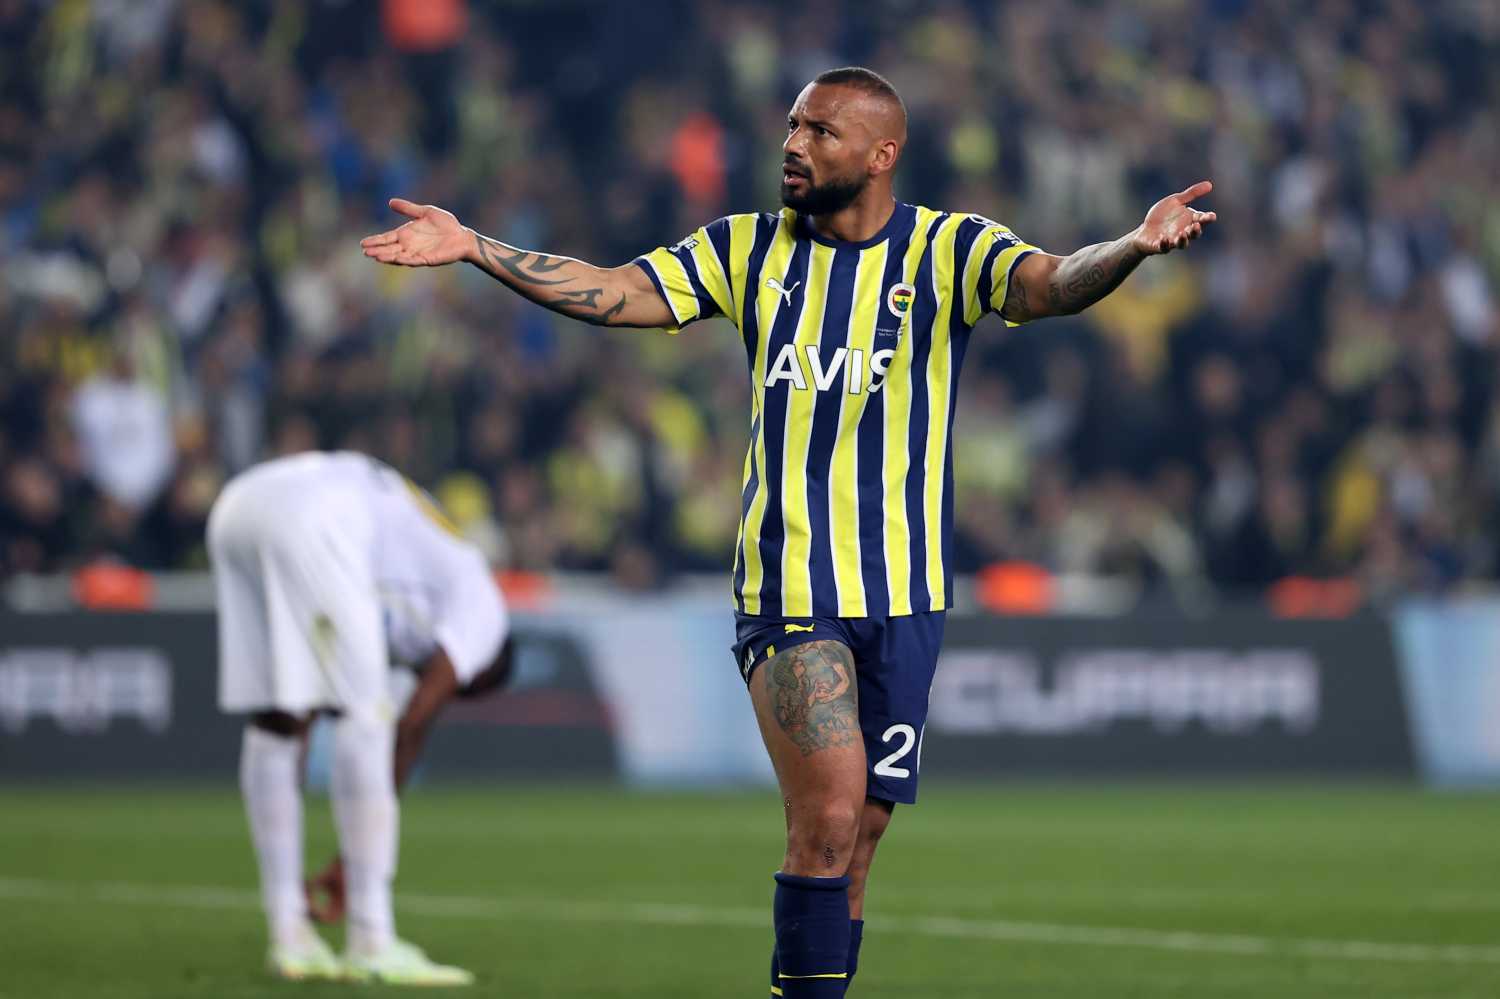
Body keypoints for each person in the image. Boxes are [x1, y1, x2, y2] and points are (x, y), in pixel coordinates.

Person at [361, 65, 1216, 996]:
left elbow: (1051, 283)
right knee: (829, 817)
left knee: (858, 841)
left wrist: (1132, 245)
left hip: (908, 593)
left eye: (820, 132)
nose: (793, 145)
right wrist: (476, 246)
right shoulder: (747, 249)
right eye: (794, 126)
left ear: (881, 155)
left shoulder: (948, 248)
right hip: (793, 588)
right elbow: (612, 289)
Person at [209, 450, 513, 986]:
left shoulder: (410, 596)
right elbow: (412, 723)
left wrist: (350, 854)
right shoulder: (485, 613)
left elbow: (316, 708)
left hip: (239, 506)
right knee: (367, 718)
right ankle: (371, 939)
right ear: (485, 670)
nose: (453, 692)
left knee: (279, 722)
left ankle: (290, 937)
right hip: (316, 515)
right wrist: (352, 866)